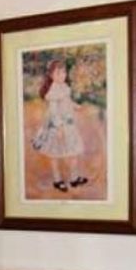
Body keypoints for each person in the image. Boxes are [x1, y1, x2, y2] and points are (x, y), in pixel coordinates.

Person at [32, 59, 87, 193]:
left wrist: (76, 106)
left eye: (63, 72)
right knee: (55, 154)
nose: (62, 75)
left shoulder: (64, 87)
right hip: (58, 128)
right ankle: (57, 180)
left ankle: (74, 178)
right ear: (51, 75)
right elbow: (53, 112)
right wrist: (59, 127)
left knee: (73, 152)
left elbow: (67, 101)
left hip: (69, 126)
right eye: (58, 73)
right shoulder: (53, 92)